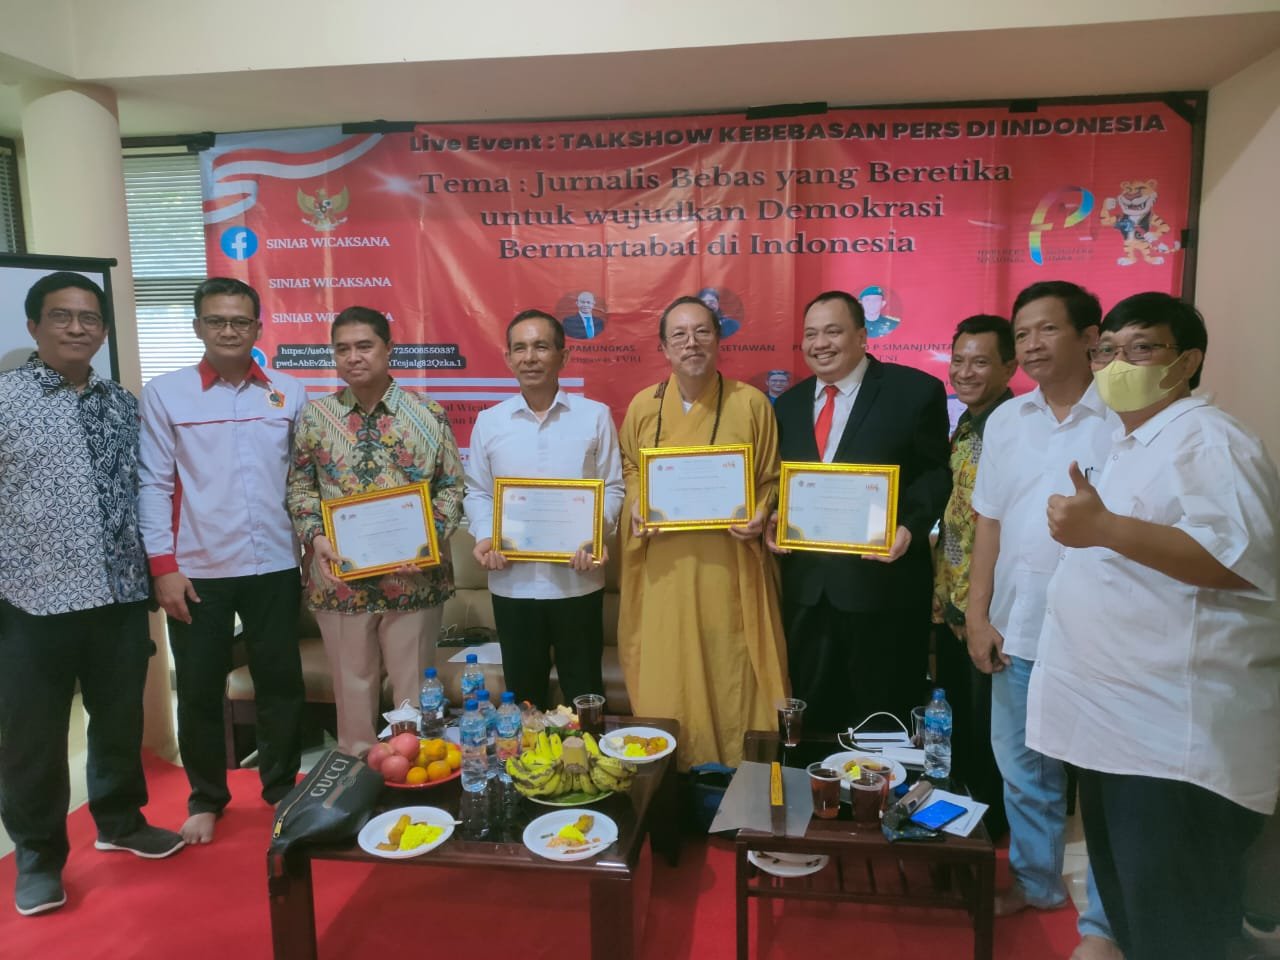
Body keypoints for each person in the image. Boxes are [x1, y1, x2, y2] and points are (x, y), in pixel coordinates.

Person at [1028, 292, 1280, 960]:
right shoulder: (1133, 441)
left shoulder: (1211, 440)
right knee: (1140, 921)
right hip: (1123, 732)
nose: (1118, 363)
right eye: (1107, 350)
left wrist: (1105, 527)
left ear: (1187, 361)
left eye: (1141, 348)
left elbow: (1240, 559)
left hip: (1175, 740)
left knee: (1177, 932)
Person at [1, 273, 183, 917]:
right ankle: (38, 855)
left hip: (120, 594)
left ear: (104, 330)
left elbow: (147, 490)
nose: (77, 328)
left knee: (119, 716)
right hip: (32, 600)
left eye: (89, 318)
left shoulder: (121, 403)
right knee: (32, 734)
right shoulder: (5, 400)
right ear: (34, 326)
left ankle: (120, 820)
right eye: (62, 316)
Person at [966, 280, 1117, 960]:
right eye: (1022, 332)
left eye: (1046, 329)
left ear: (1089, 338)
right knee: (1022, 769)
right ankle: (1036, 882)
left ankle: (1109, 921)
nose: (1031, 344)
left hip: (1100, 635)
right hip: (1017, 624)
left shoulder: (1123, 419)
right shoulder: (1007, 420)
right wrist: (978, 614)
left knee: (1106, 780)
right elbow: (988, 524)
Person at [139, 276, 307, 846]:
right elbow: (154, 485)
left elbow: (303, 481)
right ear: (198, 328)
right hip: (198, 568)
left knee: (281, 683)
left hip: (276, 564)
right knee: (199, 688)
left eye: (240, 321)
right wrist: (163, 567)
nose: (229, 331)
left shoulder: (289, 393)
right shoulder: (167, 394)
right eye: (217, 321)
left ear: (258, 327)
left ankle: (280, 787)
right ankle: (207, 797)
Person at [617, 295, 786, 769]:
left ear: (718, 339)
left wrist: (761, 511)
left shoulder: (750, 403)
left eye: (702, 332)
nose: (691, 343)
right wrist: (637, 500)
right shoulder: (643, 406)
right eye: (679, 335)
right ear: (664, 348)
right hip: (664, 569)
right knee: (668, 671)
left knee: (730, 664)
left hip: (729, 567)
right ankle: (668, 777)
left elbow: (771, 477)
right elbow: (631, 468)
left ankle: (737, 773)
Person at [768, 290, 950, 732]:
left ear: (863, 336)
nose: (820, 344)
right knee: (813, 722)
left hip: (883, 590)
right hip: (808, 592)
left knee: (881, 722)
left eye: (833, 331)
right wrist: (774, 516)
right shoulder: (787, 405)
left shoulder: (914, 392)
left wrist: (910, 526)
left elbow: (935, 473)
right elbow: (781, 481)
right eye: (811, 334)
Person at [287, 306, 464, 756]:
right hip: (341, 579)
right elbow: (300, 488)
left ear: (389, 349)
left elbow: (451, 487)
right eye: (342, 349)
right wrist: (316, 537)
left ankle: (415, 776)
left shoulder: (427, 414)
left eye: (364, 346)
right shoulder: (315, 417)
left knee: (413, 697)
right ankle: (358, 777)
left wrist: (427, 541)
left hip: (414, 580)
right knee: (352, 693)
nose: (353, 357)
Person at [464, 309, 623, 707]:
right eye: (520, 348)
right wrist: (486, 536)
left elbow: (613, 487)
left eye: (541, 347)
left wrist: (594, 535)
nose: (530, 357)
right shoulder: (490, 422)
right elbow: (478, 492)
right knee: (523, 701)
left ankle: (589, 750)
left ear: (563, 356)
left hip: (577, 581)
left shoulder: (595, 416)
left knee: (585, 696)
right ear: (508, 358)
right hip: (512, 583)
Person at [931, 314, 1017, 841]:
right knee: (958, 724)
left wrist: (976, 609)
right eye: (958, 360)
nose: (965, 372)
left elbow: (998, 526)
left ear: (1009, 366)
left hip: (988, 609)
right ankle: (962, 822)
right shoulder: (966, 424)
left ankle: (990, 835)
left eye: (980, 362)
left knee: (992, 733)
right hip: (953, 602)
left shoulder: (1013, 430)